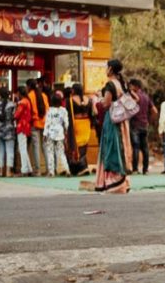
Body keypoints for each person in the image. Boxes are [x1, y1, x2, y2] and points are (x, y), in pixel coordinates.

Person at [95, 59, 134, 192]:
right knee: (122, 146)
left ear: (110, 69)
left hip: (112, 120)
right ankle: (124, 180)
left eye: (106, 67)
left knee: (111, 147)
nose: (105, 69)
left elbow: (106, 104)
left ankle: (113, 180)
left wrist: (98, 100)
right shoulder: (122, 84)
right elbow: (134, 100)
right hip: (123, 121)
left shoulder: (110, 84)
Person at [127, 78, 157, 175]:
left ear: (135, 86)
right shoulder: (146, 97)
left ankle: (135, 169)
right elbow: (155, 111)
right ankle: (145, 169)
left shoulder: (132, 97)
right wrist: (149, 121)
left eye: (131, 86)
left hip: (135, 125)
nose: (129, 88)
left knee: (135, 147)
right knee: (145, 148)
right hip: (144, 125)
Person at [67, 83, 93, 175]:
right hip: (86, 124)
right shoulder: (88, 99)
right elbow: (92, 113)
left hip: (76, 124)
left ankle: (80, 167)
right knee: (83, 145)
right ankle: (82, 166)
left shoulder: (70, 100)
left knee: (76, 145)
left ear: (74, 90)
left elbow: (68, 114)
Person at [43, 93, 70, 177]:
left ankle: (51, 172)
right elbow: (66, 123)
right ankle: (66, 169)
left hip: (50, 133)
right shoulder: (63, 110)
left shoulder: (49, 111)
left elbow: (47, 123)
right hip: (60, 133)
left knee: (50, 152)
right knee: (61, 153)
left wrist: (44, 134)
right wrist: (66, 130)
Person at [0, 86, 16, 178]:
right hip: (9, 130)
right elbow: (14, 117)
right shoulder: (12, 105)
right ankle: (8, 171)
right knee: (9, 151)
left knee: (0, 151)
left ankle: (1, 171)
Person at [27, 78, 48, 175]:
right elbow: (47, 110)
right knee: (45, 146)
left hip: (34, 123)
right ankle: (49, 169)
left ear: (29, 86)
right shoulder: (44, 95)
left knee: (36, 147)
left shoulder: (29, 96)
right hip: (44, 123)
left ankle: (38, 170)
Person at [14, 86, 34, 176]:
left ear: (19, 93)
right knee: (23, 148)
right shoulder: (28, 101)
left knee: (22, 148)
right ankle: (28, 168)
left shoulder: (22, 102)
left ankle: (24, 169)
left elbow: (16, 115)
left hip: (21, 126)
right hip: (27, 126)